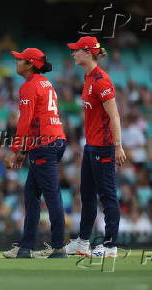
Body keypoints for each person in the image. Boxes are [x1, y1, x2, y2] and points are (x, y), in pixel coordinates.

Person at [2, 48, 67, 258]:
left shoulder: (29, 86)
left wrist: (16, 150)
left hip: (44, 144)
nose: (16, 62)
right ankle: (26, 247)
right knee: (31, 194)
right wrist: (24, 150)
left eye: (20, 60)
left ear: (30, 64)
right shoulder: (46, 83)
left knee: (51, 195)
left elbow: (25, 121)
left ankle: (58, 247)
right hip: (52, 140)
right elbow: (36, 121)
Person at [65, 36, 126, 258]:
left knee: (107, 195)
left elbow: (115, 116)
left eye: (76, 50)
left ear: (88, 53)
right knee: (87, 195)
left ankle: (110, 246)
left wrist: (118, 146)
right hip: (91, 146)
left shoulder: (101, 80)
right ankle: (82, 242)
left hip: (104, 147)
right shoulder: (88, 77)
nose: (73, 54)